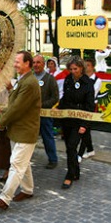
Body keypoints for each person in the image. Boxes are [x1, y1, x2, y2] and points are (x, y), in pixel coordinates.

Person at [0, 51, 42, 210]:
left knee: (16, 165)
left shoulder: (29, 83)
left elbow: (16, 108)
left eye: (18, 62)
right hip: (18, 131)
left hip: (26, 132)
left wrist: (0, 122)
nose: (14, 64)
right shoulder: (23, 80)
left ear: (27, 63)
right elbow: (15, 102)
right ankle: (28, 190)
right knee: (23, 164)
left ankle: (4, 199)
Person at [57, 56, 96, 189]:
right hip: (67, 119)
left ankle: (69, 174)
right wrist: (57, 108)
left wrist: (85, 125)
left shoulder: (88, 83)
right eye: (71, 69)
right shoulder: (68, 79)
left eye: (76, 69)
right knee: (69, 147)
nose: (73, 71)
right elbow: (65, 98)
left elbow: (90, 107)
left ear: (81, 68)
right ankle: (75, 172)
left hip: (80, 121)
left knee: (72, 147)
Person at [33, 54, 59, 169]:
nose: (36, 65)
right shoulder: (30, 77)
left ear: (43, 64)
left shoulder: (50, 79)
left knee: (47, 137)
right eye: (34, 63)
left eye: (38, 62)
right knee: (28, 137)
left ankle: (53, 160)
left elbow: (55, 97)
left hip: (44, 115)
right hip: (30, 115)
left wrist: (42, 105)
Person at [77, 57, 102, 160]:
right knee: (85, 130)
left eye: (88, 65)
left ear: (93, 67)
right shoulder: (81, 78)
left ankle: (80, 154)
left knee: (85, 128)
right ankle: (90, 150)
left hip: (91, 107)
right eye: (84, 65)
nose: (86, 68)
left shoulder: (97, 81)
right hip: (81, 106)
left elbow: (91, 94)